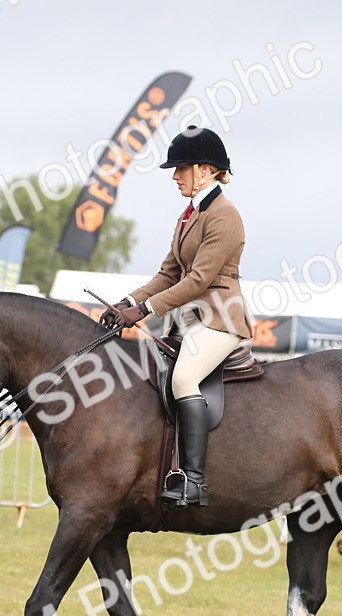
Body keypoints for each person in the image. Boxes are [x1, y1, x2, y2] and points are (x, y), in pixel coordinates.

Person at [101, 125, 251, 508]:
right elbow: (168, 273)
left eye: (180, 168)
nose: (174, 176)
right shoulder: (188, 215)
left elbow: (199, 279)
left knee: (184, 376)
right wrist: (126, 302)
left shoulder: (224, 216)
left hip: (220, 316)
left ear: (204, 170)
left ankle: (195, 482)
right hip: (189, 319)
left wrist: (146, 311)